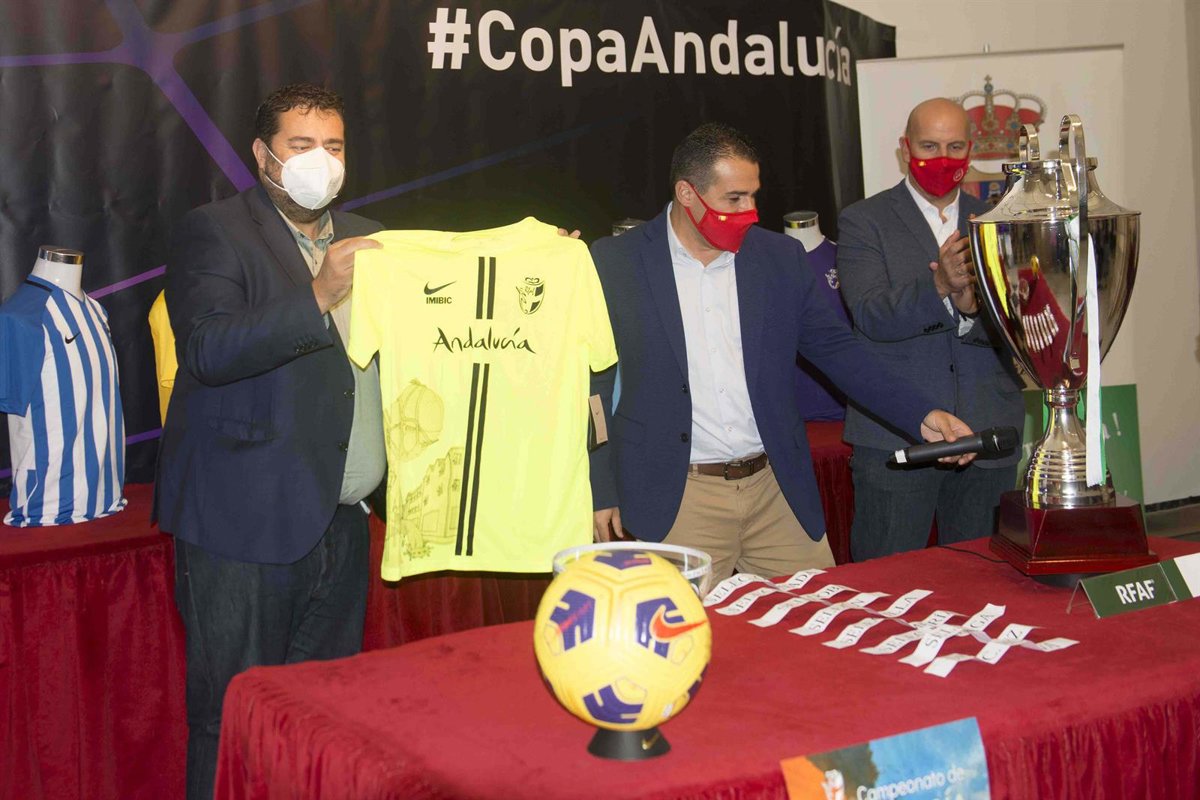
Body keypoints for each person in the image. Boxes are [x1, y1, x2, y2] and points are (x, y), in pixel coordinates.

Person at [588, 122, 977, 582]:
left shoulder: (779, 258)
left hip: (775, 489)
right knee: (681, 627)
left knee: (818, 616)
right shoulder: (614, 262)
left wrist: (921, 414)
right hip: (678, 496)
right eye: (734, 199)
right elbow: (595, 385)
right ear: (687, 193)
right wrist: (600, 488)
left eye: (754, 196)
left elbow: (838, 351)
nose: (749, 212)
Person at [155, 83, 385, 800]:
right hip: (242, 523)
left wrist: (539, 263)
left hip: (342, 522)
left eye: (334, 146)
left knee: (323, 722)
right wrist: (317, 295)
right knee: (232, 720)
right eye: (301, 145)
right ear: (263, 155)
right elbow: (208, 349)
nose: (322, 161)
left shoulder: (370, 238)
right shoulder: (215, 231)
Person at [836, 97, 1026, 562]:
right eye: (929, 146)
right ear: (905, 149)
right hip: (895, 433)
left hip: (987, 429)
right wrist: (939, 286)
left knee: (983, 577)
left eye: (955, 147)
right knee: (887, 579)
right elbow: (869, 315)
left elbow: (1021, 328)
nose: (943, 159)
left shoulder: (999, 220)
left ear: (970, 151)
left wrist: (970, 311)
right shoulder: (864, 220)